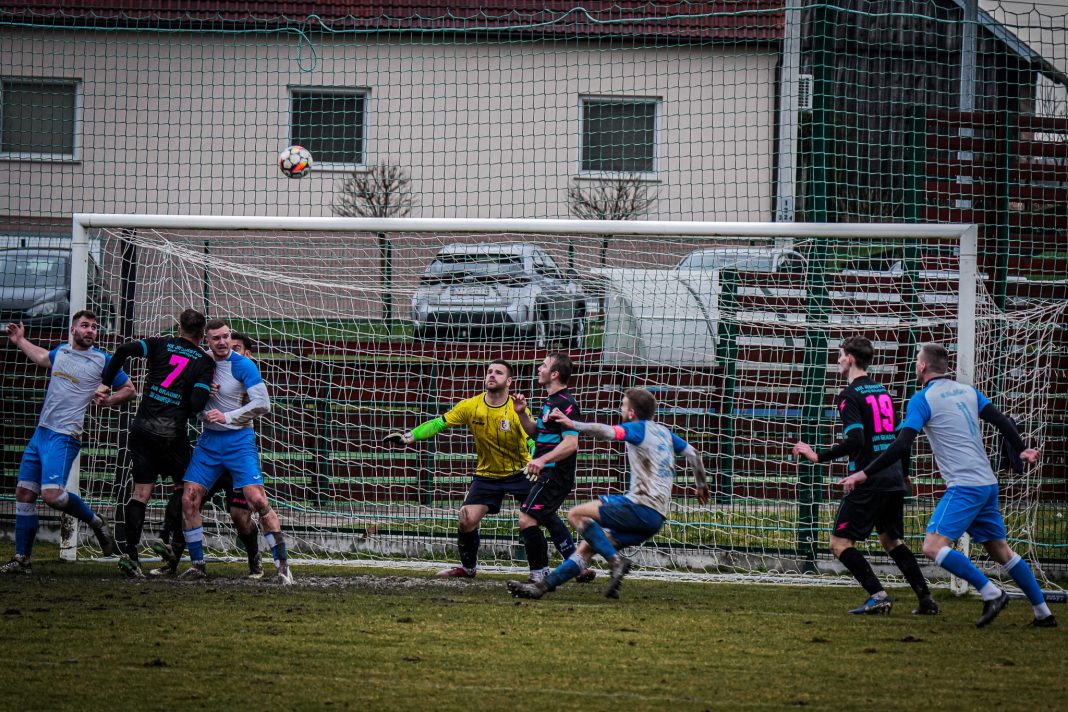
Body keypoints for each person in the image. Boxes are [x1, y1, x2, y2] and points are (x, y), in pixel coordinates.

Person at [842, 343, 1056, 628]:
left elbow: (902, 444)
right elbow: (1001, 422)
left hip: (965, 486)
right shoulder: (968, 391)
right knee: (1002, 551)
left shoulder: (922, 398)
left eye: (917, 362)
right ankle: (1043, 613)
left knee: (932, 545)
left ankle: (991, 592)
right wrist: (1021, 450)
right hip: (987, 483)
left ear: (922, 367)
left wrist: (863, 474)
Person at [508, 387, 709, 600]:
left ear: (631, 412)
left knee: (576, 514)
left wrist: (573, 424)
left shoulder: (637, 428)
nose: (620, 408)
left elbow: (606, 432)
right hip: (656, 518)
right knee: (588, 546)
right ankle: (540, 587)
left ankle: (615, 561)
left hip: (639, 505)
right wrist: (701, 485)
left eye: (623, 405)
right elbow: (693, 453)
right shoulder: (665, 433)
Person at [385, 359, 573, 579]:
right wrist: (409, 437)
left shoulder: (517, 409)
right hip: (487, 475)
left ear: (509, 381)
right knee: (466, 519)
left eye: (499, 373)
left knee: (544, 514)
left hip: (520, 472)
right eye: (490, 372)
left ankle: (575, 564)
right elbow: (439, 423)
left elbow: (533, 440)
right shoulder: (470, 406)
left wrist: (535, 460)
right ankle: (468, 568)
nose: (492, 375)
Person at [793, 336, 937, 615]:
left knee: (839, 543)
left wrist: (817, 455)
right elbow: (899, 439)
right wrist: (904, 473)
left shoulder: (849, 395)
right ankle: (926, 599)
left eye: (839, 355)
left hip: (868, 478)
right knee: (891, 540)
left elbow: (856, 440)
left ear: (849, 359)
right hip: (892, 477)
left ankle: (879, 595)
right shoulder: (883, 392)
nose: (837, 361)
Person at [1, 313, 135, 573]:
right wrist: (19, 341)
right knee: (24, 493)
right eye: (85, 326)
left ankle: (95, 521)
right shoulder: (61, 351)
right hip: (41, 433)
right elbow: (42, 357)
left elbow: (130, 389)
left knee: (51, 495)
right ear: (73, 329)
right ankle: (22, 559)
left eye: (94, 327)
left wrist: (110, 400)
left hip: (65, 435)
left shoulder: (103, 360)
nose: (91, 331)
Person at [99, 308, 215, 578]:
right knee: (183, 488)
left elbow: (123, 350)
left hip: (143, 428)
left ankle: (131, 556)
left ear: (179, 328)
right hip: (173, 434)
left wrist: (106, 384)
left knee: (140, 493)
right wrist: (202, 390)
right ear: (201, 334)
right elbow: (197, 404)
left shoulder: (160, 343)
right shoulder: (204, 362)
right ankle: (164, 538)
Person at [179, 319, 291, 583]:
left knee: (258, 501)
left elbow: (263, 404)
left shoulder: (243, 365)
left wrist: (227, 416)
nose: (221, 342)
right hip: (209, 442)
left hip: (238, 441)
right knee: (188, 499)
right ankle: (197, 565)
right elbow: (182, 392)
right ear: (206, 339)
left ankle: (283, 568)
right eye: (215, 338)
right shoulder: (200, 361)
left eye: (225, 336)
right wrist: (201, 392)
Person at [149, 329, 262, 579]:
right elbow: (192, 397)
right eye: (222, 342)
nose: (228, 348)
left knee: (239, 515)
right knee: (188, 501)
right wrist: (202, 391)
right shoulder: (208, 368)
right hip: (210, 448)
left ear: (246, 353)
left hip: (235, 452)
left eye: (236, 347)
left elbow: (257, 402)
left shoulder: (245, 372)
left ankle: (255, 560)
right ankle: (176, 561)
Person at [512, 353, 595, 584]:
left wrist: (541, 460)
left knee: (526, 519)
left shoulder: (566, 403)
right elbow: (537, 434)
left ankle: (539, 574)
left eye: (544, 366)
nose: (539, 369)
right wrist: (521, 413)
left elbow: (571, 443)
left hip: (555, 473)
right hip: (545, 471)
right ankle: (577, 566)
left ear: (555, 374)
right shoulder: (550, 401)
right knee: (546, 517)